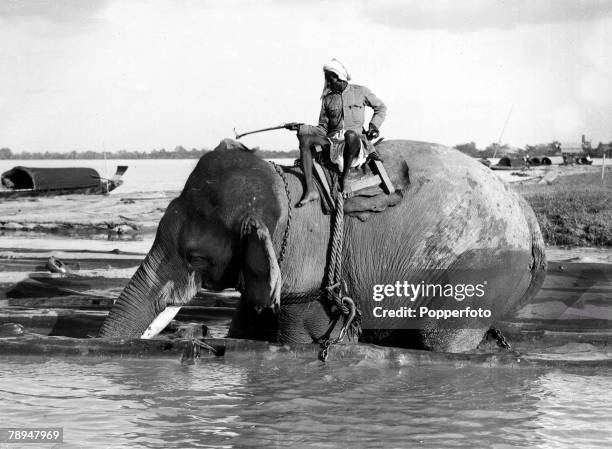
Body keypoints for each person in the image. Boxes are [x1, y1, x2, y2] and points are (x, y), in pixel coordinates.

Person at [289, 58, 387, 207]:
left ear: (339, 76)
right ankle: (310, 190)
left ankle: (344, 179)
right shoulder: (328, 99)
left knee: (350, 135)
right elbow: (322, 128)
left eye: (330, 78)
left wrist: (373, 126)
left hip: (355, 144)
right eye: (327, 79)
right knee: (305, 139)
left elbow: (381, 108)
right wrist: (301, 127)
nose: (328, 82)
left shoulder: (361, 92)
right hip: (333, 143)